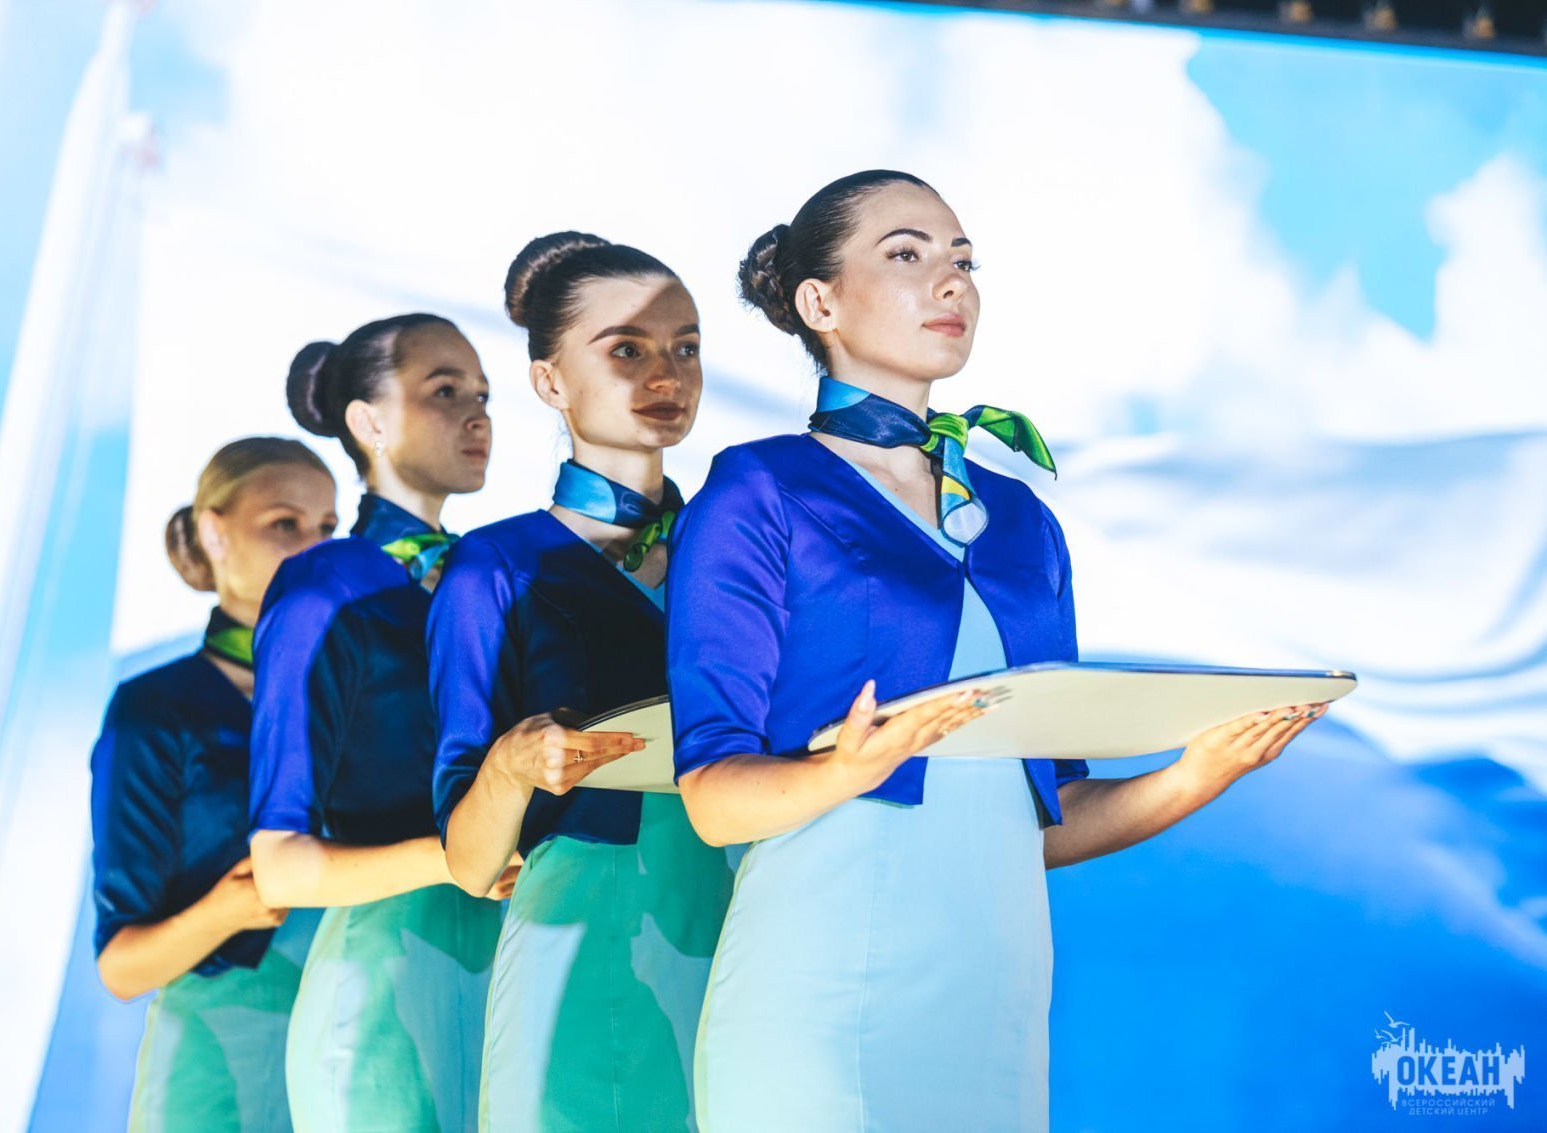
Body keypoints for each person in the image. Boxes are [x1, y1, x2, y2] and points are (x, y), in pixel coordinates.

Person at [667, 170, 1328, 1132]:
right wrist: (844, 770)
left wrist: (1197, 774)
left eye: (964, 261)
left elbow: (1049, 817)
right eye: (907, 254)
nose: (952, 282)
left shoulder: (1022, 520)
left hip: (994, 1005)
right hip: (819, 990)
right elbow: (711, 797)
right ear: (819, 304)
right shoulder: (758, 490)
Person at [429, 233, 736, 1133]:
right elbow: (468, 860)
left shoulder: (747, 549)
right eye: (627, 349)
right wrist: (511, 764)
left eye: (686, 347)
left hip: (757, 925)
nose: (666, 374)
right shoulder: (497, 567)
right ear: (549, 381)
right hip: (587, 946)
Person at [249, 314, 512, 1133]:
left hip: (510, 976)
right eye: (444, 392)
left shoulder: (495, 577)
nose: (476, 416)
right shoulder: (324, 586)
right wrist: (456, 856)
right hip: (381, 998)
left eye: (483, 396)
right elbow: (279, 867)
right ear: (367, 421)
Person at [90, 436, 338, 1132]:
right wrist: (227, 909)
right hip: (221, 1067)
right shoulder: (154, 709)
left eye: (327, 528)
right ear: (214, 533)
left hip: (359, 1037)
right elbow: (121, 966)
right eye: (285, 524)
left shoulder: (356, 695)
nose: (314, 548)